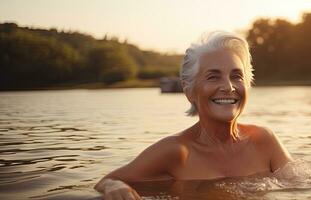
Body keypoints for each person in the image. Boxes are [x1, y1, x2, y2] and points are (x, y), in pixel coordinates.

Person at [94, 31, 292, 200]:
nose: (228, 87)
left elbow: (305, 183)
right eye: (213, 77)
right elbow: (108, 181)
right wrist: (114, 187)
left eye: (236, 76)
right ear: (189, 90)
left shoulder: (264, 140)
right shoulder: (177, 152)